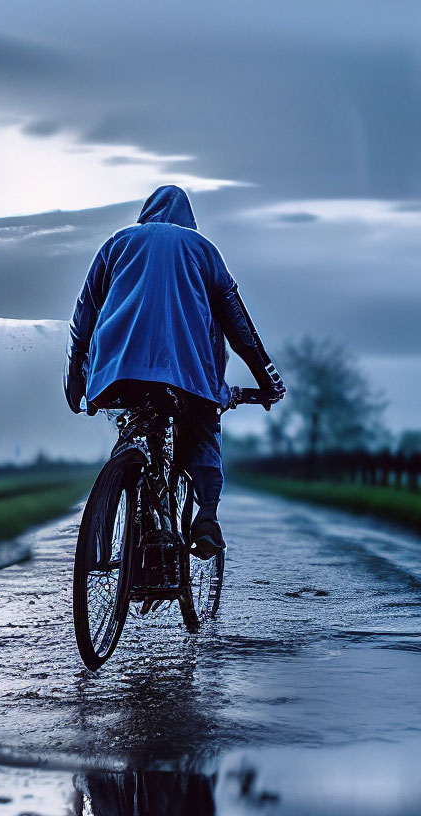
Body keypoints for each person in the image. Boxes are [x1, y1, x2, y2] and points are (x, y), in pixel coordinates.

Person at [64, 184, 285, 558]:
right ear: (189, 221)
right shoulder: (202, 249)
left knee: (132, 426)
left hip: (115, 372)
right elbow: (238, 326)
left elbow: (84, 313)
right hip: (186, 376)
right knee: (201, 425)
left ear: (146, 214)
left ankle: (112, 515)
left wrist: (75, 376)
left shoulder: (117, 243)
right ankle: (207, 517)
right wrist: (267, 379)